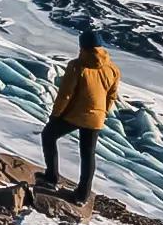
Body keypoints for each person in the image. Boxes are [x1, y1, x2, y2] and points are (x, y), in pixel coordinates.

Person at [41, 27, 120, 204]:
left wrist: (55, 115)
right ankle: (83, 195)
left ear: (82, 47)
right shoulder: (113, 69)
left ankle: (51, 178)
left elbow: (65, 95)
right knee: (88, 154)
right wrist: (103, 112)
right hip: (96, 117)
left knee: (48, 136)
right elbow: (112, 95)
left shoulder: (77, 66)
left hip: (74, 114)